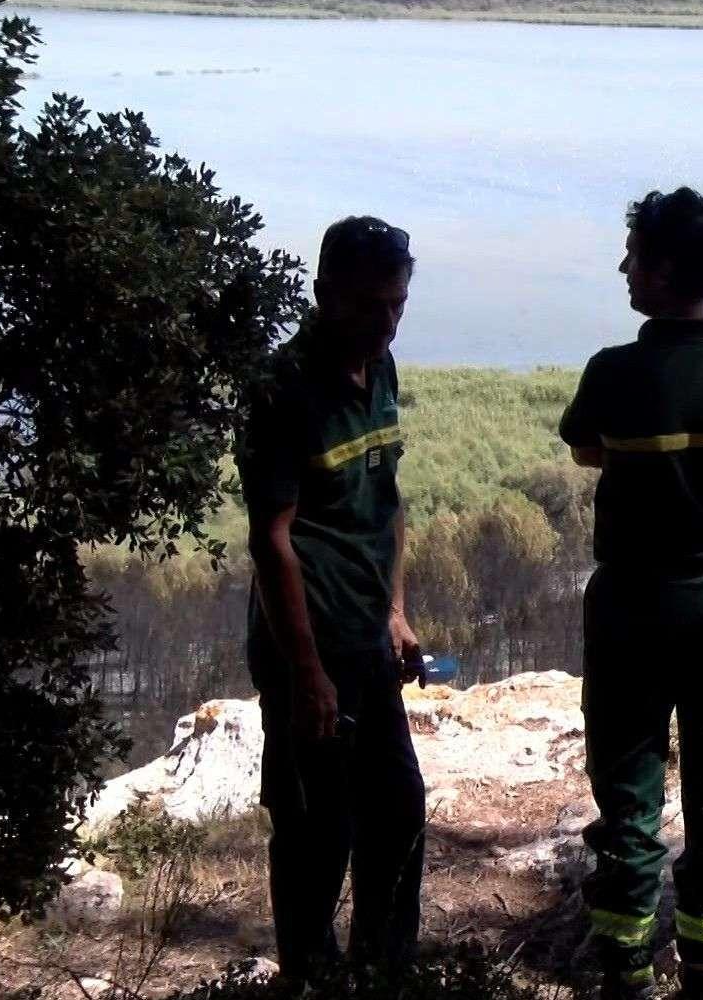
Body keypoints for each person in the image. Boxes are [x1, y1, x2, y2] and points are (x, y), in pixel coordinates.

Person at [560, 188, 703, 1000]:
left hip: (633, 605)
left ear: (661, 275)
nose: (622, 267)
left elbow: (589, 448)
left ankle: (624, 967)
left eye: (633, 256)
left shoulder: (614, 371)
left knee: (627, 788)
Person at [238, 216, 427, 977]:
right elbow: (271, 540)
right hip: (305, 647)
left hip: (365, 637)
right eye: (368, 305)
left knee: (398, 814)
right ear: (323, 295)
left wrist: (394, 610)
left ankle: (384, 973)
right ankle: (310, 977)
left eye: (397, 304)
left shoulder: (379, 369)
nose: (385, 322)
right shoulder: (282, 390)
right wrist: (306, 671)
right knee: (317, 832)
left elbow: (386, 500)